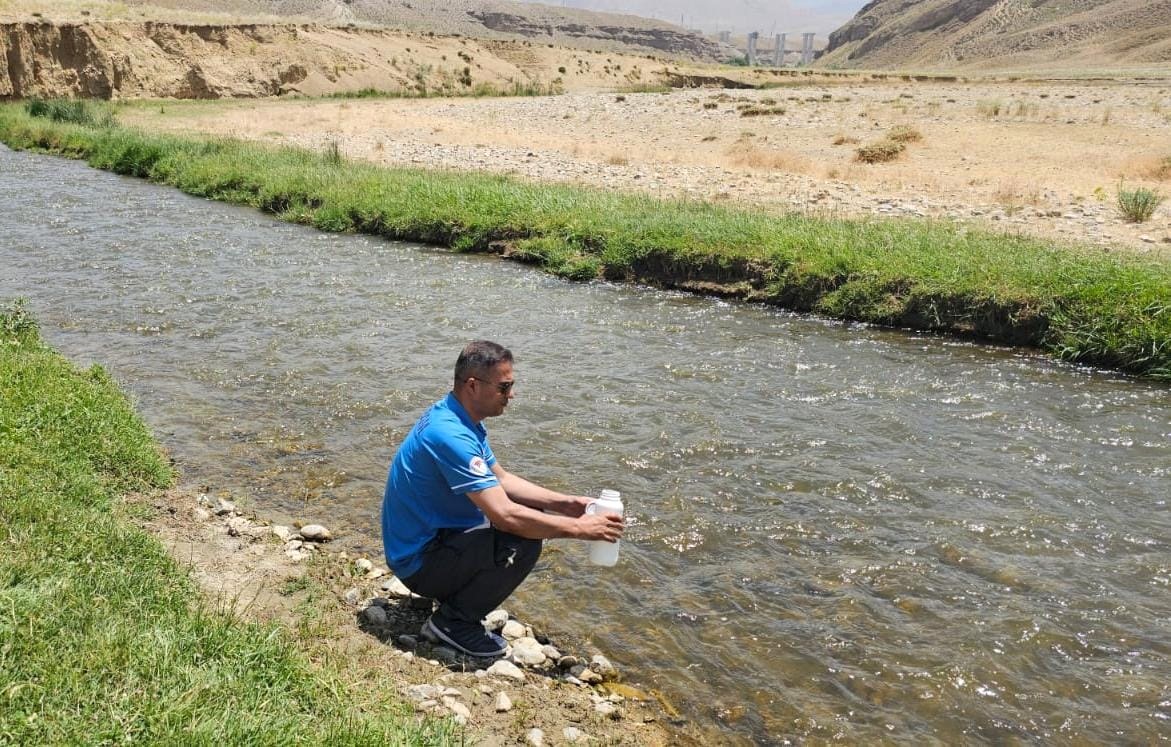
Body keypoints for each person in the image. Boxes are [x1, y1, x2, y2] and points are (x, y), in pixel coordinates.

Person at [381, 340, 624, 657]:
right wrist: (580, 530)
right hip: (418, 562)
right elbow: (506, 516)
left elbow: (502, 478)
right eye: (504, 387)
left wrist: (569, 504)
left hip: (427, 543)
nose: (512, 395)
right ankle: (454, 622)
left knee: (534, 513)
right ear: (473, 385)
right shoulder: (450, 434)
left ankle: (456, 599)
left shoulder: (458, 418)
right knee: (522, 541)